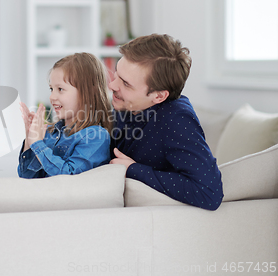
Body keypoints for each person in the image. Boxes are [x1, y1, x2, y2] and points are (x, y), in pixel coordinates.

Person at [108, 34, 223, 210]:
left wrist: (132, 169)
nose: (112, 86)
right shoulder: (129, 106)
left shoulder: (176, 120)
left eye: (126, 84)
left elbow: (208, 192)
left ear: (159, 96)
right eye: (116, 74)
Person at [18, 52, 112, 178]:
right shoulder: (49, 134)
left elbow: (69, 176)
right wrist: (30, 141)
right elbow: (27, 177)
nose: (52, 97)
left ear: (87, 93)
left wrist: (38, 144)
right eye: (51, 89)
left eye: (60, 89)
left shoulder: (96, 136)